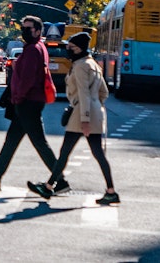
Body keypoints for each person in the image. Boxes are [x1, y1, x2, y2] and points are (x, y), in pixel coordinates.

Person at [0, 16, 68, 194]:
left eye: (29, 29)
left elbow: (27, 79)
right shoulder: (37, 47)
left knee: (39, 143)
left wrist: (17, 97)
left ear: (38, 31)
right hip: (29, 101)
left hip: (28, 102)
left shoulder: (34, 49)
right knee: (11, 140)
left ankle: (61, 181)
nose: (25, 32)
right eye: (23, 28)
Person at [27, 32, 118, 205]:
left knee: (65, 152)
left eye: (72, 47)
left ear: (80, 48)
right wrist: (95, 107)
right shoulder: (93, 64)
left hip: (81, 114)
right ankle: (111, 191)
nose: (68, 50)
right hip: (95, 113)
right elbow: (103, 92)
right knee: (97, 154)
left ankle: (48, 187)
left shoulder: (81, 66)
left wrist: (85, 118)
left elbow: (83, 93)